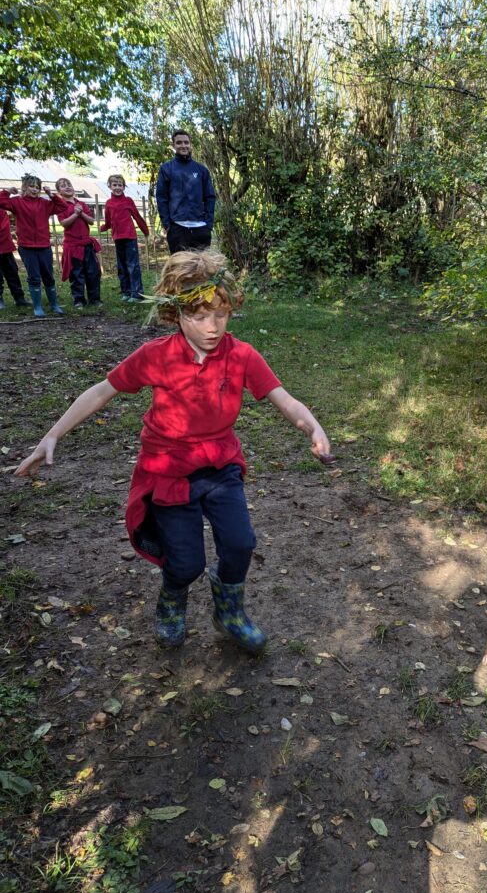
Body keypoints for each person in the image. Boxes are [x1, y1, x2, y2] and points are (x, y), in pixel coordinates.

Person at [14, 250, 333, 655]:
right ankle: (171, 601)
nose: (212, 326)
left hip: (220, 468)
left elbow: (283, 399)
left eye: (220, 315)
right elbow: (101, 390)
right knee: (186, 563)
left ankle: (229, 611)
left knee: (240, 544)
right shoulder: (156, 357)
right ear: (175, 314)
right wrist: (52, 435)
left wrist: (313, 426)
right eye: (199, 317)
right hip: (168, 472)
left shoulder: (242, 356)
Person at [0, 175, 64, 316]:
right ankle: (37, 307)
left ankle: (54, 305)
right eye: (31, 186)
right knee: (34, 276)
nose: (34, 189)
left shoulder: (45, 203)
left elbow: (62, 207)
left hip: (44, 246)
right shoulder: (17, 202)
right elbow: (1, 201)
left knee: (48, 275)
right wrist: (7, 192)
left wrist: (51, 194)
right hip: (26, 246)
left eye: (37, 187)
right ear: (24, 187)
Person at [155, 130, 216, 254]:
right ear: (173, 145)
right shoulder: (166, 169)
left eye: (186, 142)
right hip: (177, 229)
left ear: (190, 144)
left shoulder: (201, 170)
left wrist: (208, 224)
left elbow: (210, 197)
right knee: (180, 271)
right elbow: (161, 198)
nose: (183, 145)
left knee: (201, 270)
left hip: (200, 229)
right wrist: (167, 225)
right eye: (179, 143)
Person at [99, 174, 149, 302]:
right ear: (109, 186)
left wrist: (145, 230)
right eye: (114, 185)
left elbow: (137, 216)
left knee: (133, 265)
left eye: (120, 185)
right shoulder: (109, 204)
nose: (117, 187)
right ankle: (126, 291)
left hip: (130, 237)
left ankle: (137, 293)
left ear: (124, 186)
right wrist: (104, 227)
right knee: (121, 266)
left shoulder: (128, 201)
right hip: (118, 238)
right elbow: (108, 221)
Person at [54, 178, 102, 308]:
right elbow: (64, 223)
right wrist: (75, 214)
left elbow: (91, 221)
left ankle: (95, 299)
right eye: (63, 186)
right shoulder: (61, 206)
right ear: (59, 192)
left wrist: (80, 213)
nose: (67, 187)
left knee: (93, 272)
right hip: (73, 246)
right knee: (76, 274)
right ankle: (79, 300)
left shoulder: (81, 203)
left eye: (69, 184)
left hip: (86, 245)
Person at [0, 206, 30, 310]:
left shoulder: (2, 212)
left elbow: (4, 228)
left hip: (5, 248)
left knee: (12, 273)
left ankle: (19, 298)